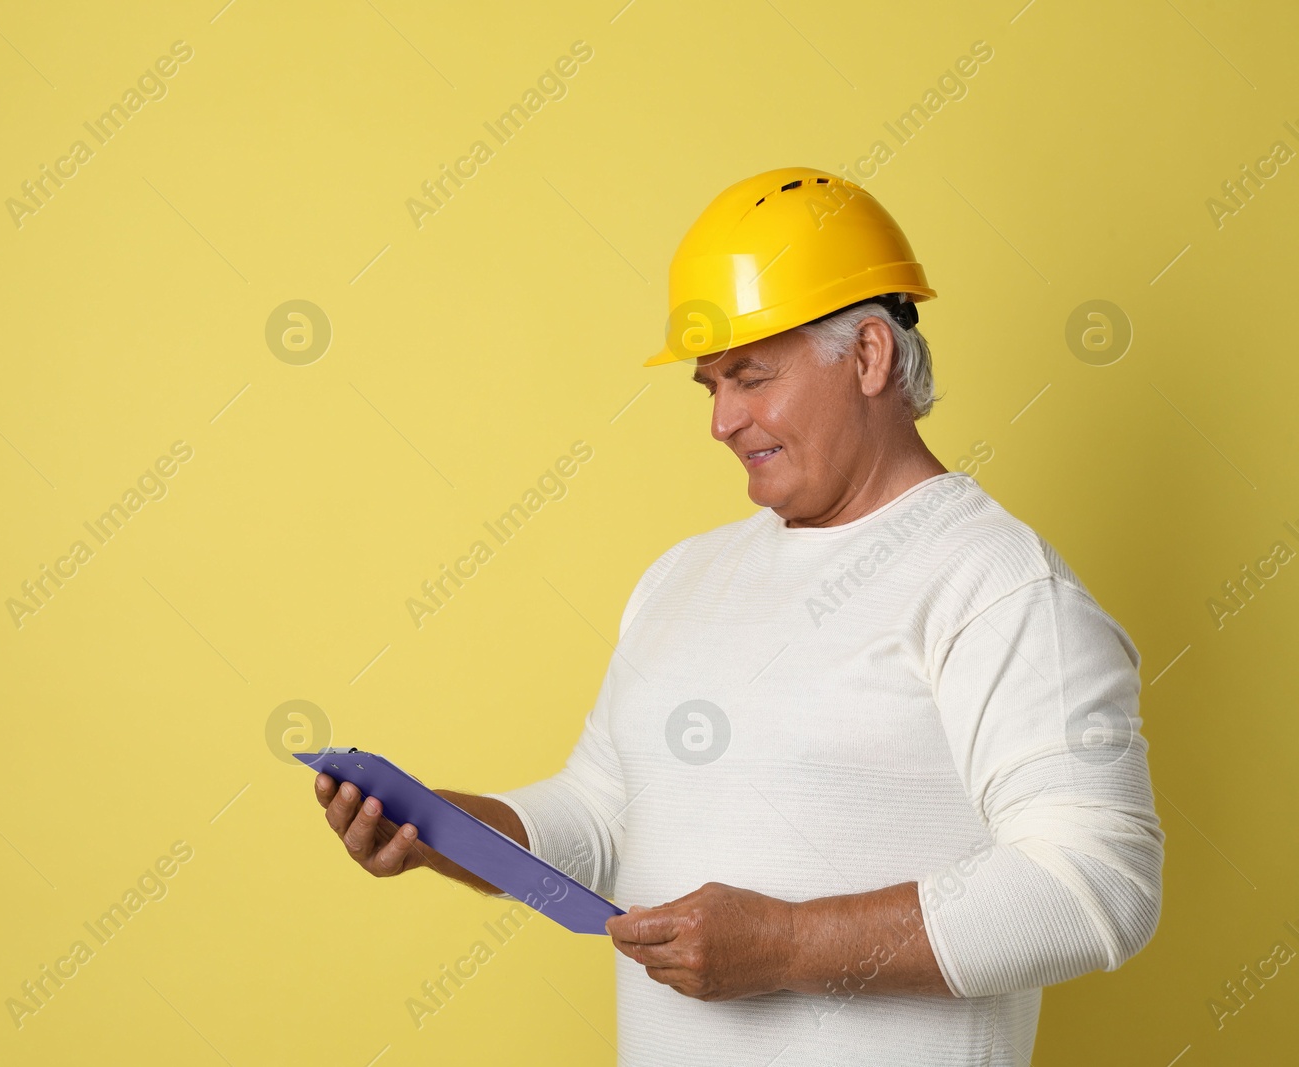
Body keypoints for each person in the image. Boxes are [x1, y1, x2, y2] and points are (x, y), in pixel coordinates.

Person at [312, 166, 1164, 1065]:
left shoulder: (996, 584)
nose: (722, 419)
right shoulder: (683, 577)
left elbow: (1094, 883)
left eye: (752, 376)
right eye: (709, 384)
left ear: (870, 355)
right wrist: (439, 830)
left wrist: (789, 945)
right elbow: (604, 820)